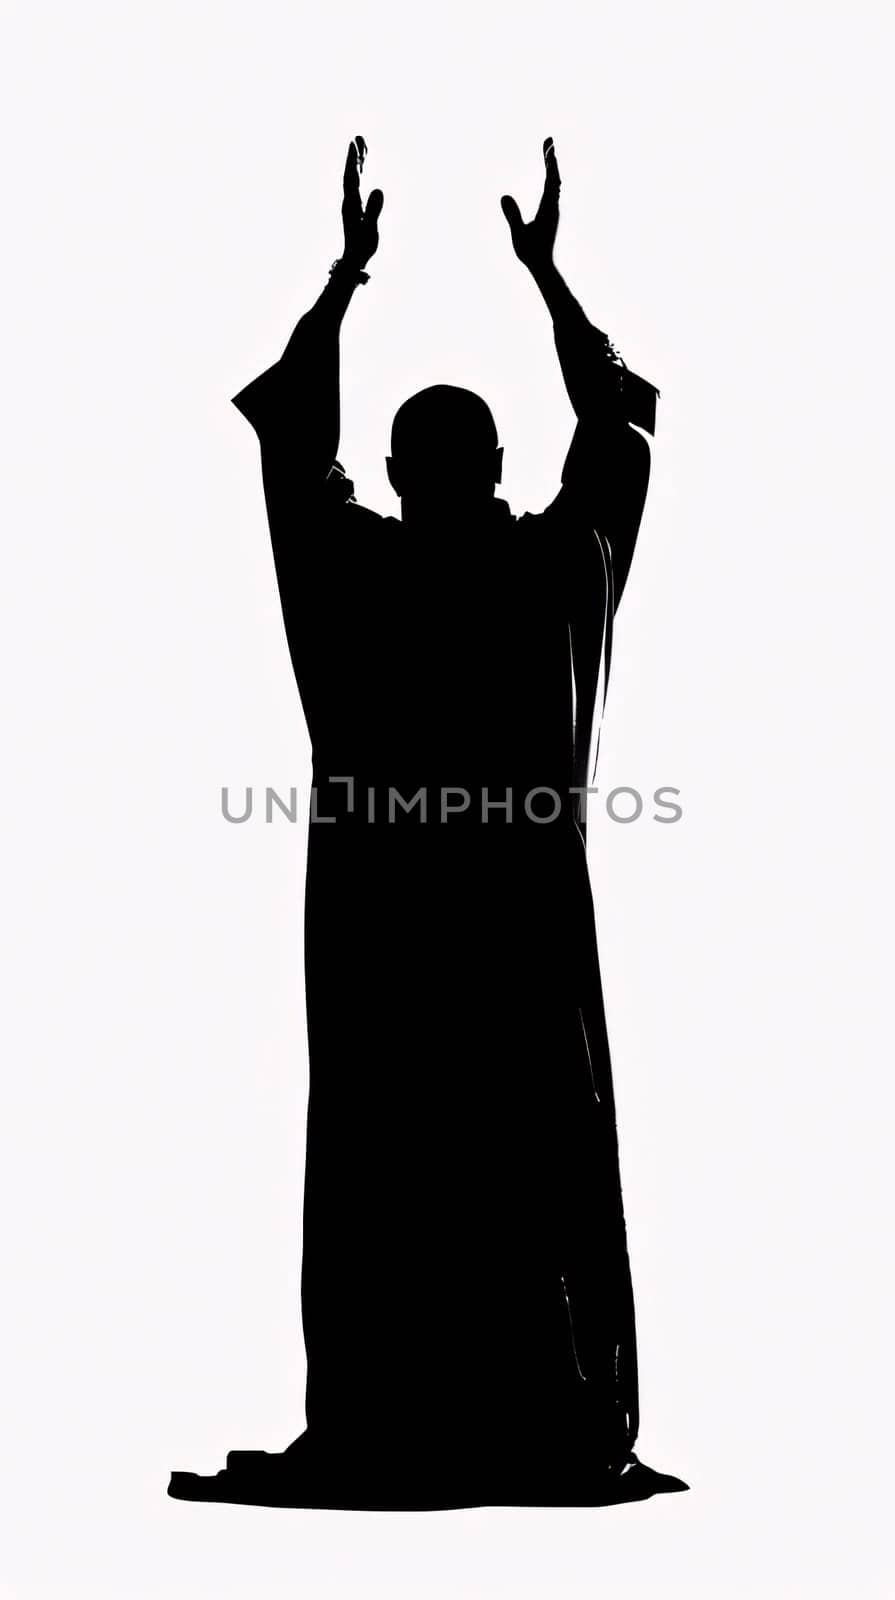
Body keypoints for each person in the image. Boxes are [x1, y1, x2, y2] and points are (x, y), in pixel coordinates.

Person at [169, 136, 686, 1509]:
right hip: (521, 917)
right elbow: (622, 423)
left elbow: (292, 435)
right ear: (496, 462)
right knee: (535, 1143)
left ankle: (390, 1418)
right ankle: (555, 1411)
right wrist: (551, 283)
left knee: (388, 1161)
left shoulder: (355, 572)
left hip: (384, 920)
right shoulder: (553, 571)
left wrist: (342, 290)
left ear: (396, 475)